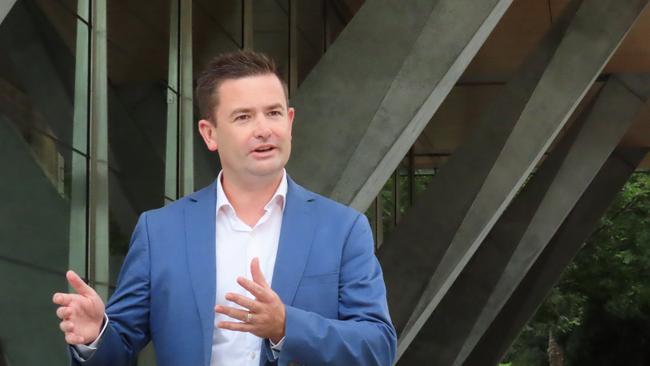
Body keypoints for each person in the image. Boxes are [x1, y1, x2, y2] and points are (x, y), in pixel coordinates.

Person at [52, 50, 396, 366]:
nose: (263, 129)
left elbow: (378, 347)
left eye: (273, 113)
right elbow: (120, 348)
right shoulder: (161, 232)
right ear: (209, 133)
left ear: (290, 122)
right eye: (243, 117)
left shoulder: (342, 229)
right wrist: (96, 335)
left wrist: (286, 326)